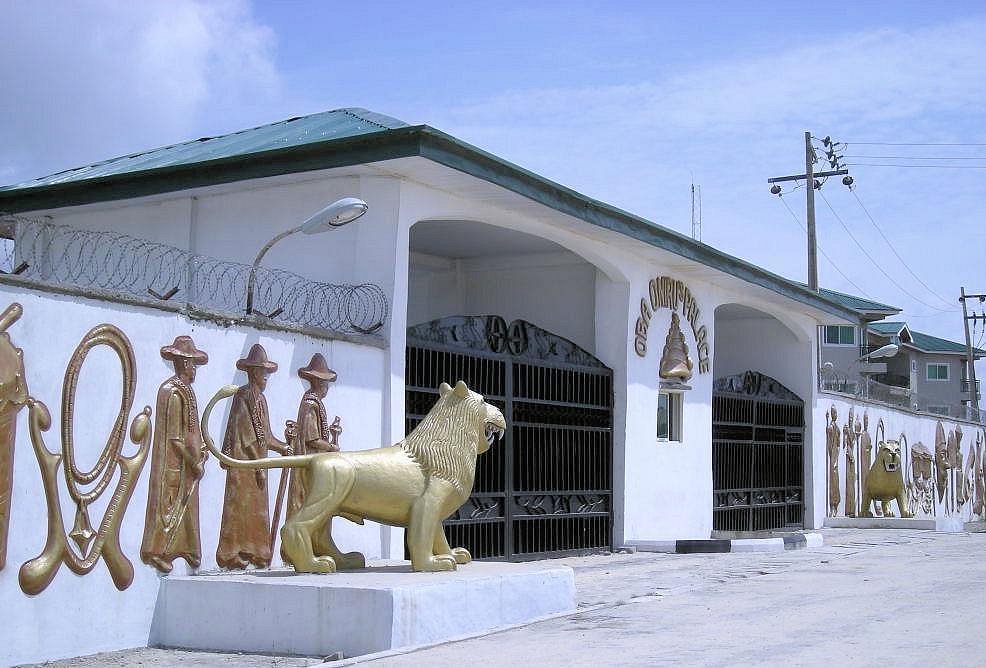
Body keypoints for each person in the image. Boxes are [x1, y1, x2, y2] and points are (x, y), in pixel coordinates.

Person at [216, 344, 294, 569]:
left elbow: (265, 436)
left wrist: (282, 448)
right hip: (243, 465)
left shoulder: (260, 400)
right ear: (254, 373)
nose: (266, 377)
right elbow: (246, 437)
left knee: (256, 511)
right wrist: (259, 465)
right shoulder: (244, 396)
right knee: (239, 509)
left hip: (257, 465)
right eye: (263, 372)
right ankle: (232, 553)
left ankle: (257, 552)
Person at [140, 335, 209, 573]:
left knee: (188, 508)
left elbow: (192, 430)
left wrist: (200, 451)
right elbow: (174, 438)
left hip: (189, 465)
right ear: (185, 364)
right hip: (174, 464)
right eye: (193, 364)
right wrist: (192, 462)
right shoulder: (172, 392)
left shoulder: (187, 391)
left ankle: (187, 548)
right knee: (167, 508)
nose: (194, 370)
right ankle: (158, 551)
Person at [285, 353, 342, 521]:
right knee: (306, 501)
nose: (327, 387)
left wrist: (333, 436)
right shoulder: (311, 404)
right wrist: (332, 447)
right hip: (308, 463)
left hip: (315, 463)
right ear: (318, 382)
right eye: (325, 383)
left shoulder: (315, 402)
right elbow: (312, 439)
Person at [826, 405, 841, 516]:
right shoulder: (831, 427)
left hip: (835, 455)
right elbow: (829, 440)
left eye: (835, 413)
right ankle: (832, 505)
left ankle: (836, 504)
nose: (835, 415)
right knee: (833, 479)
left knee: (835, 479)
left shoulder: (837, 428)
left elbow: (839, 444)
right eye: (833, 413)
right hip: (832, 456)